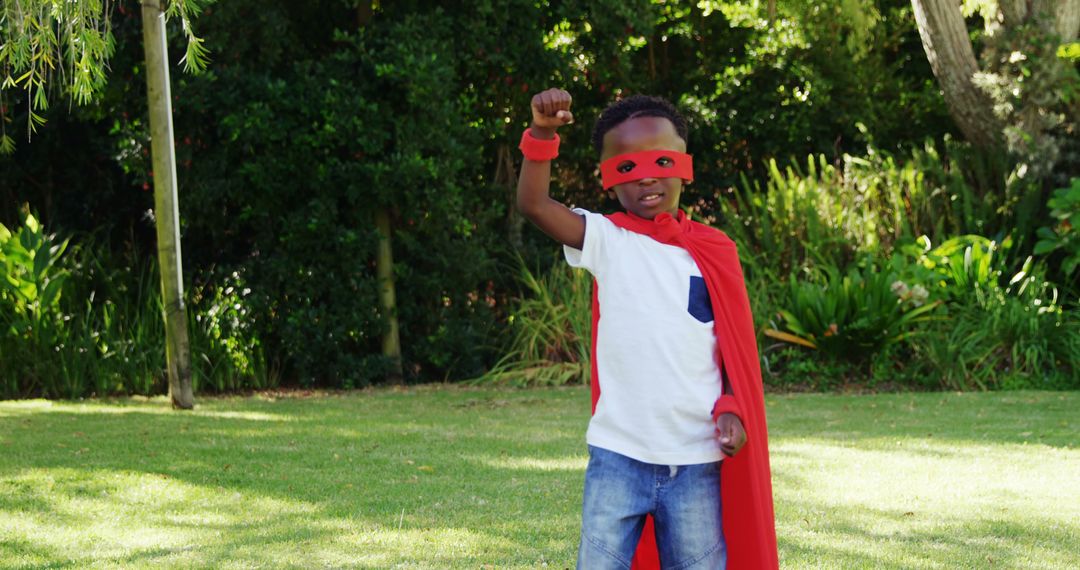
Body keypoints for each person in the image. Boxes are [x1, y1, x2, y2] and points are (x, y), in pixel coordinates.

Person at [516, 88, 779, 570]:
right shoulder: (607, 240)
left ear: (683, 162)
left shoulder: (714, 251)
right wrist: (542, 135)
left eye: (660, 160)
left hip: (697, 461)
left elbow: (730, 355)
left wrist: (733, 408)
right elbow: (534, 205)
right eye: (627, 168)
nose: (647, 179)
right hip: (618, 456)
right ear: (608, 180)